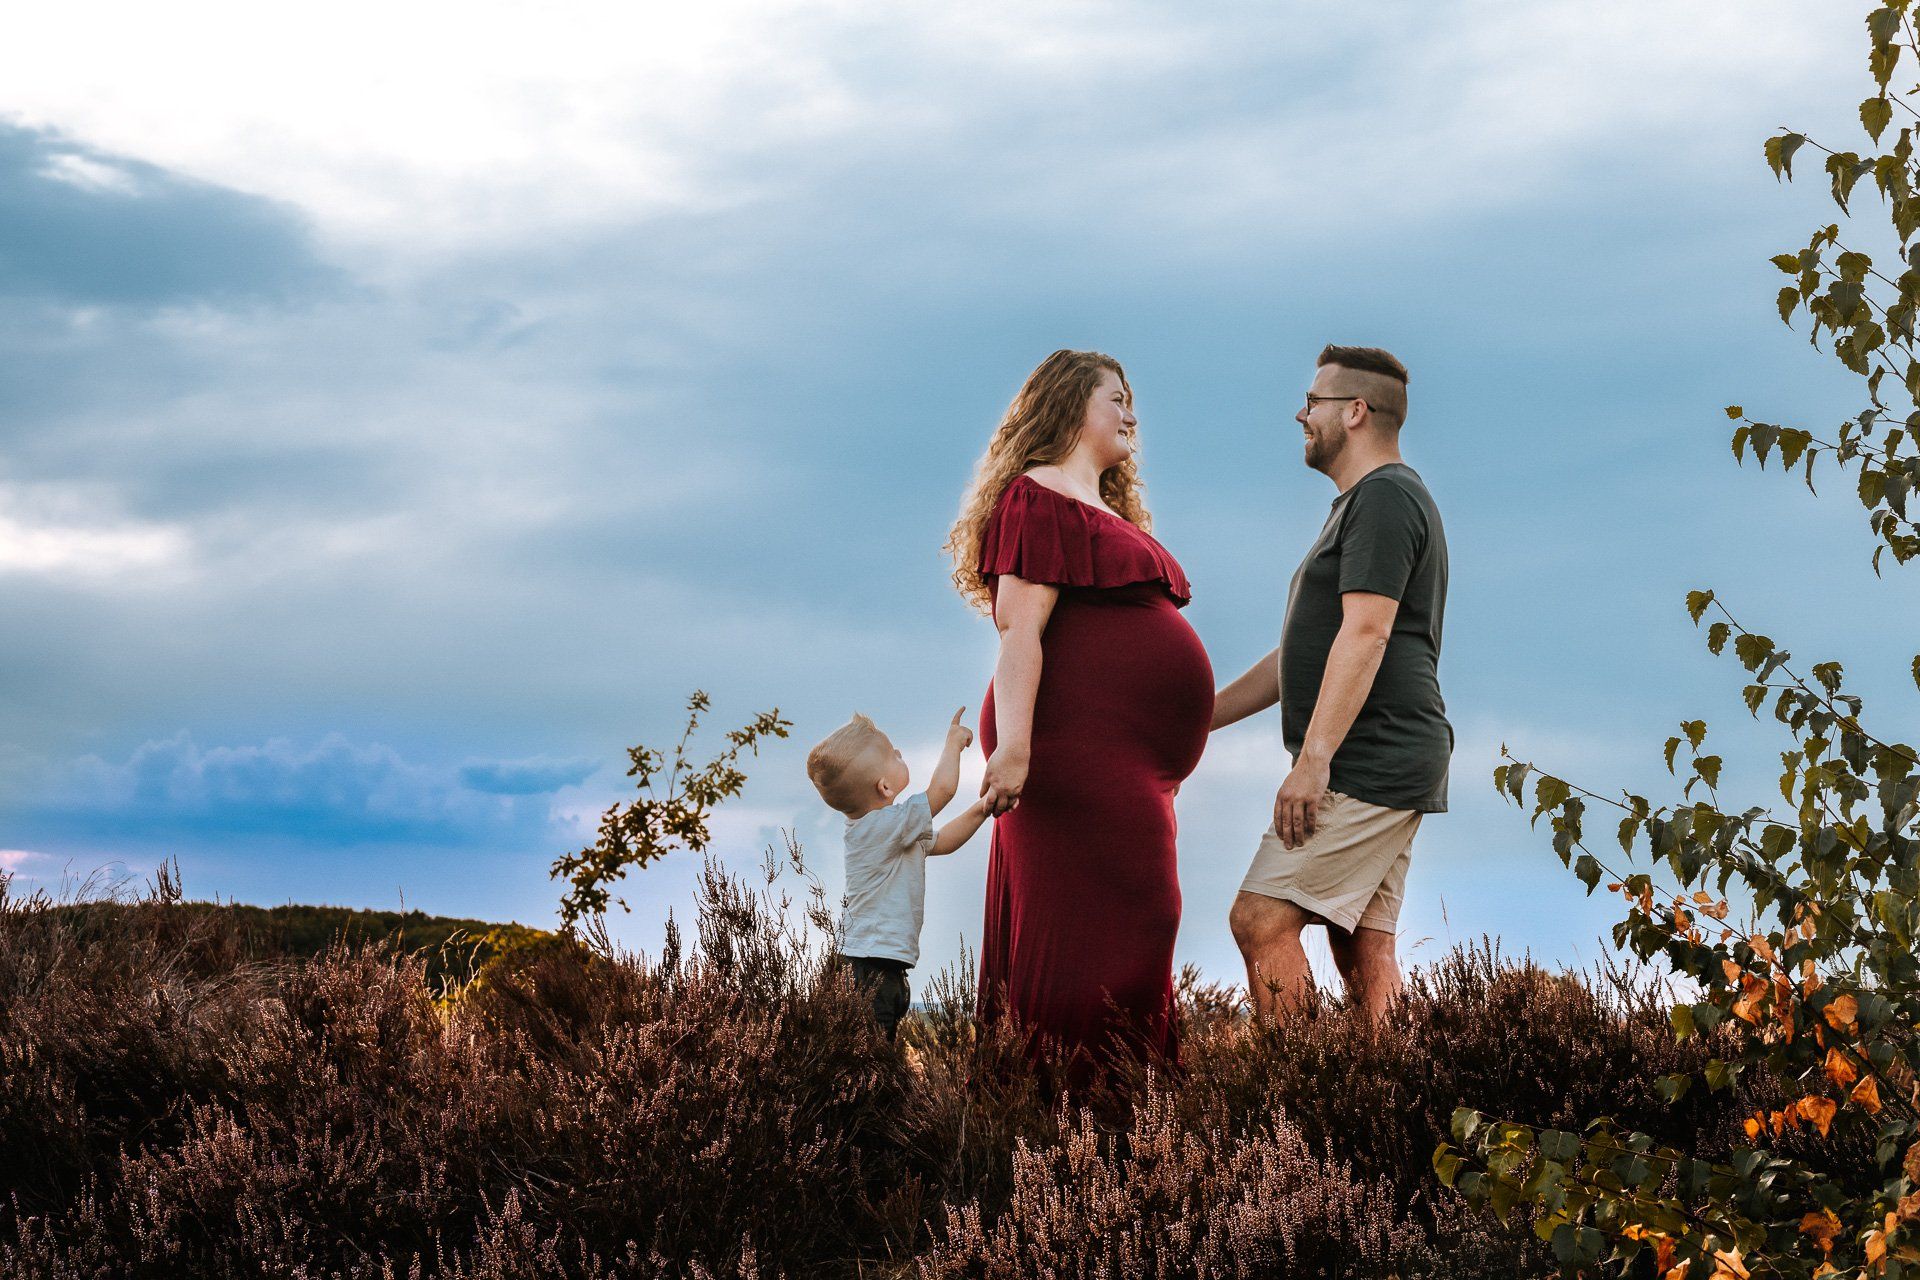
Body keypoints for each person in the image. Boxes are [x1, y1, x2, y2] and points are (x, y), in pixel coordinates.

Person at [944, 349, 1213, 1084]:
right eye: (1115, 398)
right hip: (1065, 752)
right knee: (1103, 931)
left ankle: (1126, 1124)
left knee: (1144, 920)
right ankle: (1072, 1123)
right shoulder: (1038, 495)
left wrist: (1161, 751)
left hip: (1120, 762)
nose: (1131, 414)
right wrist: (1018, 749)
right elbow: (1020, 632)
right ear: (1067, 406)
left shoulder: (1100, 509)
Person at [1211, 344, 1451, 1024]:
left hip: (1368, 757)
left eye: (1312, 403)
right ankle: (1379, 1110)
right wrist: (1200, 717)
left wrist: (1313, 763)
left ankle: (1298, 1104)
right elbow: (1302, 656)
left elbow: (1367, 633)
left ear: (1354, 412)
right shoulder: (1366, 503)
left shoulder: (1384, 499)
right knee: (1363, 943)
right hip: (1392, 752)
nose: (1300, 414)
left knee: (1259, 919)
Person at [806, 709, 990, 1039]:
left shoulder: (894, 831)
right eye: (893, 754)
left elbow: (944, 841)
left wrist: (982, 808)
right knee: (867, 1066)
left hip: (878, 967)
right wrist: (953, 745)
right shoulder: (880, 828)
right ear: (885, 786)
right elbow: (942, 791)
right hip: (867, 968)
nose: (901, 754)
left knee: (874, 1060)